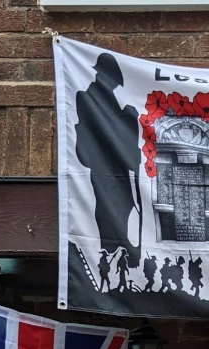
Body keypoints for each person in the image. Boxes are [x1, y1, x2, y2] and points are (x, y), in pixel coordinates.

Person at [74, 53, 141, 270]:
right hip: (103, 168)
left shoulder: (110, 101)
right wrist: (127, 116)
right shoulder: (88, 97)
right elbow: (108, 126)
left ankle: (122, 253)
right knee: (108, 209)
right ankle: (110, 253)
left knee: (125, 207)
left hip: (118, 168)